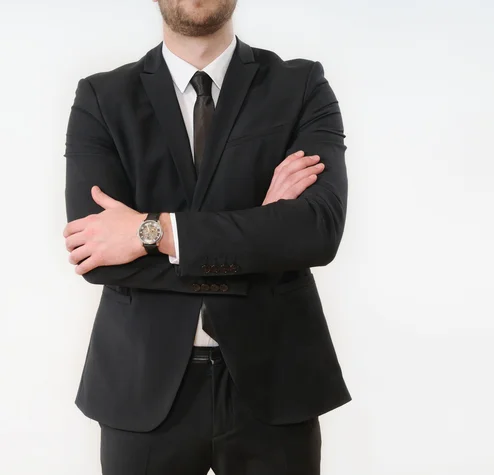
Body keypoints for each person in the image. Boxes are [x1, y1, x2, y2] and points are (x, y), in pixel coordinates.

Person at [62, 0, 350, 473]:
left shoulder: (300, 86)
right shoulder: (101, 97)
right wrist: (261, 226)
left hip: (276, 380)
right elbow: (96, 252)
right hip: (142, 388)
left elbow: (316, 231)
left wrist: (150, 231)